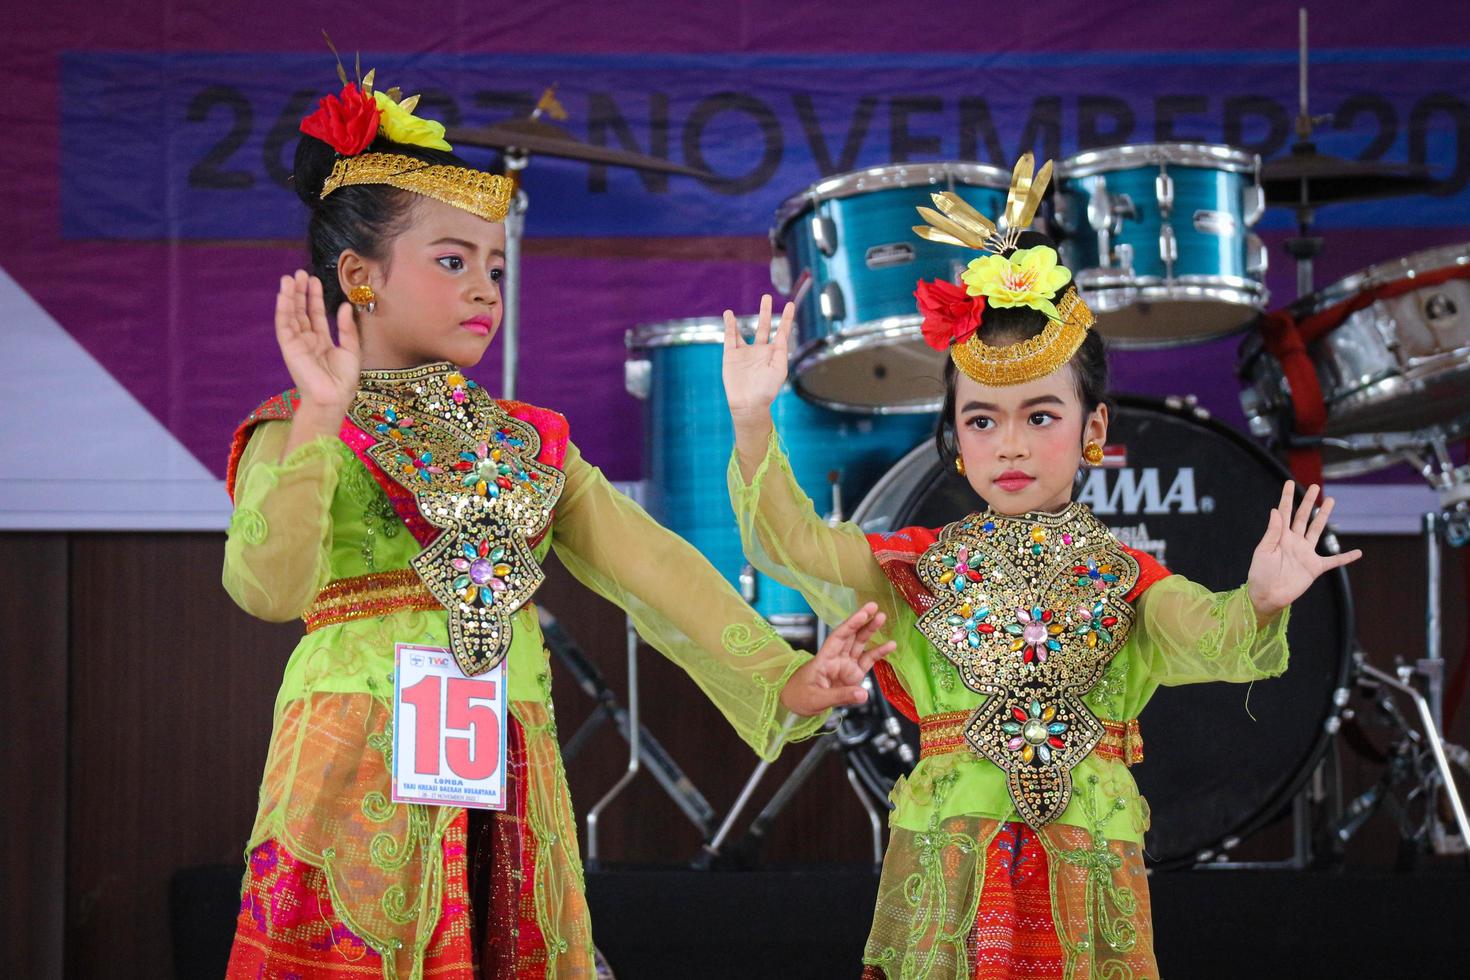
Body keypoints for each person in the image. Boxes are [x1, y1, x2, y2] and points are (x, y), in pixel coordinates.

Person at [222, 66, 893, 979]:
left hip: (503, 760)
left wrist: (783, 679)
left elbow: (652, 565)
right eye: (452, 261)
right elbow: (268, 588)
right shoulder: (296, 427)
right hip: (355, 765)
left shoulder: (528, 444)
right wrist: (317, 420)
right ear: (359, 276)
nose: (485, 288)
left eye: (496, 266)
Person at [722, 155, 1362, 979]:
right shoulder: (914, 570)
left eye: (1042, 415)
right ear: (954, 440)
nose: (1012, 444)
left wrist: (1262, 601)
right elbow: (792, 544)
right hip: (952, 870)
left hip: (1084, 875)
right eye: (982, 420)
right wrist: (750, 423)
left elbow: (1212, 634)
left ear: (1093, 428)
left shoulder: (1128, 579)